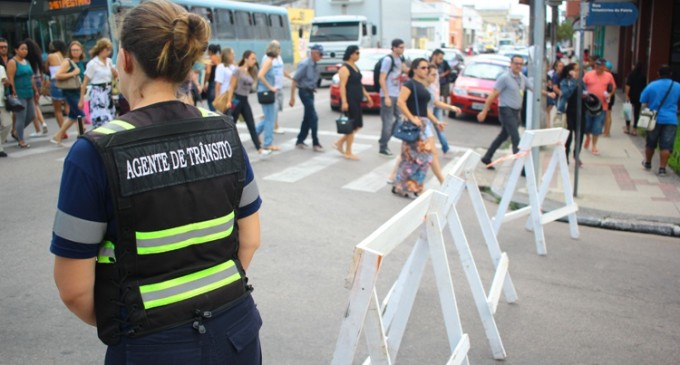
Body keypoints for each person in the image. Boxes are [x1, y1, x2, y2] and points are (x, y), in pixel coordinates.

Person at [51, 1, 264, 363]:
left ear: (127, 60)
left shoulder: (95, 152)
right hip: (236, 332)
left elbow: (74, 291)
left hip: (150, 343)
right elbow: (251, 239)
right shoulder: (224, 132)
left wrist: (129, 321)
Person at [478, 55, 555, 169]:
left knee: (503, 135)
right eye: (516, 63)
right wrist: (484, 111)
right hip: (506, 110)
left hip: (516, 112)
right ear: (511, 64)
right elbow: (493, 94)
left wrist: (548, 94)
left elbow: (534, 89)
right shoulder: (504, 78)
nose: (518, 66)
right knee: (516, 137)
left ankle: (487, 157)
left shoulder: (522, 78)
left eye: (520, 64)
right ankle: (521, 166)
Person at [391, 58, 436, 198]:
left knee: (424, 157)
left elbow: (425, 107)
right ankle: (401, 185)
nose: (426, 70)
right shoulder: (409, 84)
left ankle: (414, 185)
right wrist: (412, 118)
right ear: (414, 69)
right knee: (411, 158)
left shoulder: (422, 85)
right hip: (413, 125)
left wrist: (435, 121)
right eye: (423, 68)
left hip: (423, 124)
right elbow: (400, 102)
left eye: (427, 67)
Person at [225, 50, 271, 157]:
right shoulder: (238, 71)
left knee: (251, 124)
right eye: (252, 58)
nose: (254, 61)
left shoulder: (251, 71)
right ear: (246, 59)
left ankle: (259, 148)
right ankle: (228, 147)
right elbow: (231, 87)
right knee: (231, 125)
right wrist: (228, 101)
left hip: (245, 100)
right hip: (236, 100)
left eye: (255, 58)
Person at [640, 65, 680, 176]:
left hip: (653, 118)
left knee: (650, 143)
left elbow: (643, 100)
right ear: (671, 74)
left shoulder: (652, 85)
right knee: (666, 145)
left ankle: (648, 163)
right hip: (671, 120)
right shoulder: (677, 86)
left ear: (658, 73)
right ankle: (662, 168)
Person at [334, 45, 373, 160]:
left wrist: (367, 96)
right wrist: (344, 102)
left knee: (357, 125)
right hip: (350, 99)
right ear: (351, 54)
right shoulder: (344, 68)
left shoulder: (355, 67)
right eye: (357, 53)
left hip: (357, 98)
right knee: (352, 125)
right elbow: (342, 86)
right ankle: (348, 151)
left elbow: (359, 84)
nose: (358, 55)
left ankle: (340, 142)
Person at [49, 41, 86, 145]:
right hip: (69, 92)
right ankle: (82, 138)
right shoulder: (67, 62)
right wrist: (73, 73)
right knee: (80, 116)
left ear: (81, 51)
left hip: (77, 91)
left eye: (77, 50)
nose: (75, 52)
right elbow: (57, 75)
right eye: (73, 50)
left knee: (72, 117)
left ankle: (57, 136)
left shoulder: (80, 62)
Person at [290, 44, 324, 152]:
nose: (321, 56)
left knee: (307, 117)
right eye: (320, 54)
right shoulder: (305, 64)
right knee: (314, 117)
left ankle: (300, 140)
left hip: (310, 93)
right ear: (313, 53)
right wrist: (292, 97)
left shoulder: (315, 65)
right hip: (304, 92)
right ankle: (315, 142)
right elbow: (295, 80)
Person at [79, 38, 117, 128]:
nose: (108, 52)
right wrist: (81, 99)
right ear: (101, 49)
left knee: (111, 118)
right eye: (107, 49)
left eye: (109, 50)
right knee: (102, 118)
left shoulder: (109, 61)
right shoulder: (93, 63)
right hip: (98, 92)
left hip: (108, 91)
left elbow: (115, 76)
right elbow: (85, 82)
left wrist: (115, 73)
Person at [378, 39, 407, 157]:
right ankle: (383, 147)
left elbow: (406, 70)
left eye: (403, 47)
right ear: (394, 48)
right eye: (400, 47)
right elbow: (381, 78)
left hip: (397, 94)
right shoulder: (388, 60)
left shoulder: (399, 59)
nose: (402, 49)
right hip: (389, 94)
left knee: (400, 119)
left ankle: (384, 141)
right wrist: (386, 96)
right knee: (388, 123)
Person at [6, 40, 37, 149]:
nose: (25, 51)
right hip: (19, 92)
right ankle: (21, 139)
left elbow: (31, 76)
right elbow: (10, 78)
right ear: (16, 50)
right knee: (21, 117)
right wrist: (13, 90)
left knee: (31, 115)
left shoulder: (26, 62)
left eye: (26, 49)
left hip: (29, 91)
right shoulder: (12, 62)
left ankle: (16, 132)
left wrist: (35, 89)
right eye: (22, 49)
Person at [582, 58, 616, 155]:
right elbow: (582, 85)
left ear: (604, 67)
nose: (598, 67)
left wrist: (609, 95)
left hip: (602, 106)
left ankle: (594, 145)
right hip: (589, 105)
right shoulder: (588, 75)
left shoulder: (609, 76)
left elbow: (613, 87)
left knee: (597, 126)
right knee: (587, 125)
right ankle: (588, 137)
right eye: (596, 65)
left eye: (600, 66)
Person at [256, 41, 283, 151]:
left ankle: (255, 133)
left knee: (268, 117)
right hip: (266, 92)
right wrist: (271, 87)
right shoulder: (269, 61)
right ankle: (268, 143)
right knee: (270, 119)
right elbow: (260, 75)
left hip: (264, 92)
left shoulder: (266, 59)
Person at [558, 62, 586, 166]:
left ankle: (576, 154)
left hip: (581, 110)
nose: (579, 72)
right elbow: (567, 94)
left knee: (580, 134)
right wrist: (574, 81)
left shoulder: (580, 81)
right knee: (568, 136)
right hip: (569, 111)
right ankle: (565, 155)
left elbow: (585, 91)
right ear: (570, 71)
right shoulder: (565, 82)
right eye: (577, 69)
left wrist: (586, 95)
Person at [24, 38, 48, 138]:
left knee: (34, 106)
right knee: (35, 104)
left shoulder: (27, 59)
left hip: (32, 81)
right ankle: (40, 126)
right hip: (39, 80)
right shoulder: (38, 56)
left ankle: (41, 126)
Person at [267, 40, 292, 135]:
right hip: (273, 86)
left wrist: (290, 77)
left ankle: (273, 123)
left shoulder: (279, 58)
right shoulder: (268, 58)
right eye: (278, 48)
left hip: (279, 85)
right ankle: (275, 125)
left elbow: (282, 70)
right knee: (275, 107)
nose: (280, 50)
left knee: (278, 106)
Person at [47, 40, 69, 134]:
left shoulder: (51, 56)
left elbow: (46, 68)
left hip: (55, 82)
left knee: (58, 110)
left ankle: (63, 131)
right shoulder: (65, 57)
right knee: (68, 107)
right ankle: (74, 125)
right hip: (66, 82)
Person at [624, 62, 647, 136]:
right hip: (639, 96)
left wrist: (627, 95)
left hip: (631, 95)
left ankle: (627, 128)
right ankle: (634, 129)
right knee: (636, 113)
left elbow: (628, 85)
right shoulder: (643, 76)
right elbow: (644, 87)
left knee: (628, 111)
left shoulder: (631, 75)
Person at [546, 60, 564, 128]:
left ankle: (549, 126)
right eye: (560, 66)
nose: (561, 68)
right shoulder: (555, 76)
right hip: (554, 96)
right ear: (555, 67)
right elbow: (554, 87)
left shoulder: (561, 75)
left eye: (562, 66)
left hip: (555, 96)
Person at [204, 44, 220, 111]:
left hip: (212, 83)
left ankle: (214, 118)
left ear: (210, 51)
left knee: (211, 103)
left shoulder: (210, 59)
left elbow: (208, 72)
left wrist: (205, 82)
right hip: (219, 83)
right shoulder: (220, 58)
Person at [0, 62, 9, 157]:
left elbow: (6, 82)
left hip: (2, 101)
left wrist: (7, 82)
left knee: (8, 124)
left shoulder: (1, 68)